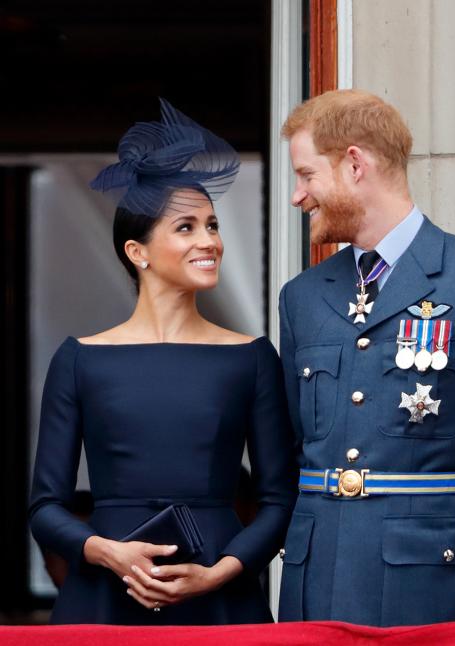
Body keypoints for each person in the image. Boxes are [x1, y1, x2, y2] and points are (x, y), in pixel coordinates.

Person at [28, 99, 296, 624]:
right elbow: (45, 508)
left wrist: (222, 570)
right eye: (187, 228)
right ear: (137, 251)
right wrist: (108, 552)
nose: (210, 242)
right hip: (104, 592)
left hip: (220, 592)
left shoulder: (252, 357)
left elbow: (281, 499)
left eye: (213, 225)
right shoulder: (79, 359)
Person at [276, 89, 455, 626]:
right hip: (318, 571)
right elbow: (290, 446)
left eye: (307, 175)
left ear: (355, 164)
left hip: (430, 578)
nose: (297, 196)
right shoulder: (302, 297)